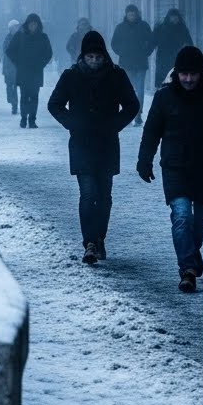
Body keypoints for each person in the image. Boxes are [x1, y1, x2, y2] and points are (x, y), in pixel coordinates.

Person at [137, 45, 203, 293]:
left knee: (201, 222)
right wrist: (144, 160)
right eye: (184, 74)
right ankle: (188, 269)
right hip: (175, 166)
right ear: (176, 73)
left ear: (201, 73)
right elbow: (151, 131)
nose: (189, 79)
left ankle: (190, 255)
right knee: (182, 217)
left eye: (193, 74)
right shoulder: (164, 97)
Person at [48, 31, 139, 264]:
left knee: (105, 195)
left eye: (98, 57)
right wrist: (73, 124)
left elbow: (132, 105)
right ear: (83, 56)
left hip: (107, 143)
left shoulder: (117, 75)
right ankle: (89, 242)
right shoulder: (71, 76)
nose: (94, 61)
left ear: (104, 56)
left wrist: (115, 125)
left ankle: (99, 239)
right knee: (88, 193)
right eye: (90, 57)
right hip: (81, 143)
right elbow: (55, 104)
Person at [5, 13, 53, 129]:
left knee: (34, 96)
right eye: (31, 24)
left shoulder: (43, 37)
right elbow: (10, 51)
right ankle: (23, 118)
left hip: (36, 71)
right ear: (27, 25)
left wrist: (41, 64)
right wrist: (18, 62)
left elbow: (48, 53)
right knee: (24, 95)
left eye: (35, 24)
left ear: (38, 25)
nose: (33, 26)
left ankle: (32, 119)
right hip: (23, 71)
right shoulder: (20, 36)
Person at [110, 4, 155, 126]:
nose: (131, 16)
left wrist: (146, 52)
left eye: (133, 14)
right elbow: (114, 43)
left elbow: (152, 42)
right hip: (126, 63)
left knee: (139, 90)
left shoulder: (144, 26)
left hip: (140, 63)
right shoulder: (120, 27)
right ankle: (128, 113)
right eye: (129, 14)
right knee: (128, 90)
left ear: (137, 14)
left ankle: (138, 115)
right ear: (126, 14)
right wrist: (121, 52)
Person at [151, 8, 193, 90]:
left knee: (176, 80)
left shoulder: (182, 29)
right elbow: (153, 42)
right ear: (169, 17)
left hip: (177, 57)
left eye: (176, 17)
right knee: (163, 82)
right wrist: (146, 51)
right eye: (172, 17)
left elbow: (189, 42)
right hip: (163, 58)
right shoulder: (160, 28)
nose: (174, 19)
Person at [1, 19, 21, 115]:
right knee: (9, 86)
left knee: (15, 87)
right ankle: (12, 101)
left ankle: (15, 104)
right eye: (14, 27)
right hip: (9, 67)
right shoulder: (7, 38)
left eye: (17, 26)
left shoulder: (22, 37)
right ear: (10, 28)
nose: (16, 28)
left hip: (18, 67)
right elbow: (5, 50)